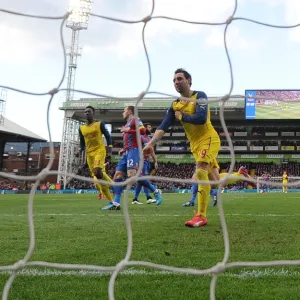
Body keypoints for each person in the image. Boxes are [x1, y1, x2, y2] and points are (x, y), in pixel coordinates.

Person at [143, 68, 220, 227]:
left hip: (209, 138)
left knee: (200, 171)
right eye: (174, 80)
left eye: (179, 79)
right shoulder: (175, 104)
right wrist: (150, 144)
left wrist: (182, 116)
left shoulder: (200, 96)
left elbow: (200, 118)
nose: (176, 82)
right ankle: (241, 174)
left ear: (189, 80)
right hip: (195, 145)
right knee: (216, 182)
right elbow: (164, 125)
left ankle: (201, 216)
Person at [102, 106, 162, 210]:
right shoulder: (127, 124)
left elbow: (142, 131)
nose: (122, 113)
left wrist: (128, 130)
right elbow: (130, 138)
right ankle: (116, 203)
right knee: (118, 175)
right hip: (127, 152)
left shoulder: (135, 120)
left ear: (130, 111)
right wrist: (123, 149)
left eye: (124, 110)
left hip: (134, 151)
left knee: (132, 176)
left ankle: (155, 191)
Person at [78, 106, 114, 202]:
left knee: (97, 172)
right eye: (85, 112)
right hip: (89, 154)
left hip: (99, 150)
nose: (86, 113)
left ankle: (114, 185)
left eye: (89, 111)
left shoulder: (99, 124)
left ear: (93, 113)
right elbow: (82, 142)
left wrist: (110, 150)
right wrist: (80, 150)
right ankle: (112, 201)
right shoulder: (81, 128)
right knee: (98, 176)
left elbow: (107, 136)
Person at [182, 166, 255, 207]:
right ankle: (239, 174)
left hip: (207, 175)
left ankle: (240, 175)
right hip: (207, 175)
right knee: (215, 184)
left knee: (217, 183)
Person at [132, 122, 158, 204]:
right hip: (141, 161)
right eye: (149, 127)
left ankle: (135, 199)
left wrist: (155, 161)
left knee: (141, 180)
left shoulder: (149, 139)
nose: (151, 129)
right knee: (144, 179)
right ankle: (148, 197)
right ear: (145, 128)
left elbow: (152, 151)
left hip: (146, 161)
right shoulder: (140, 137)